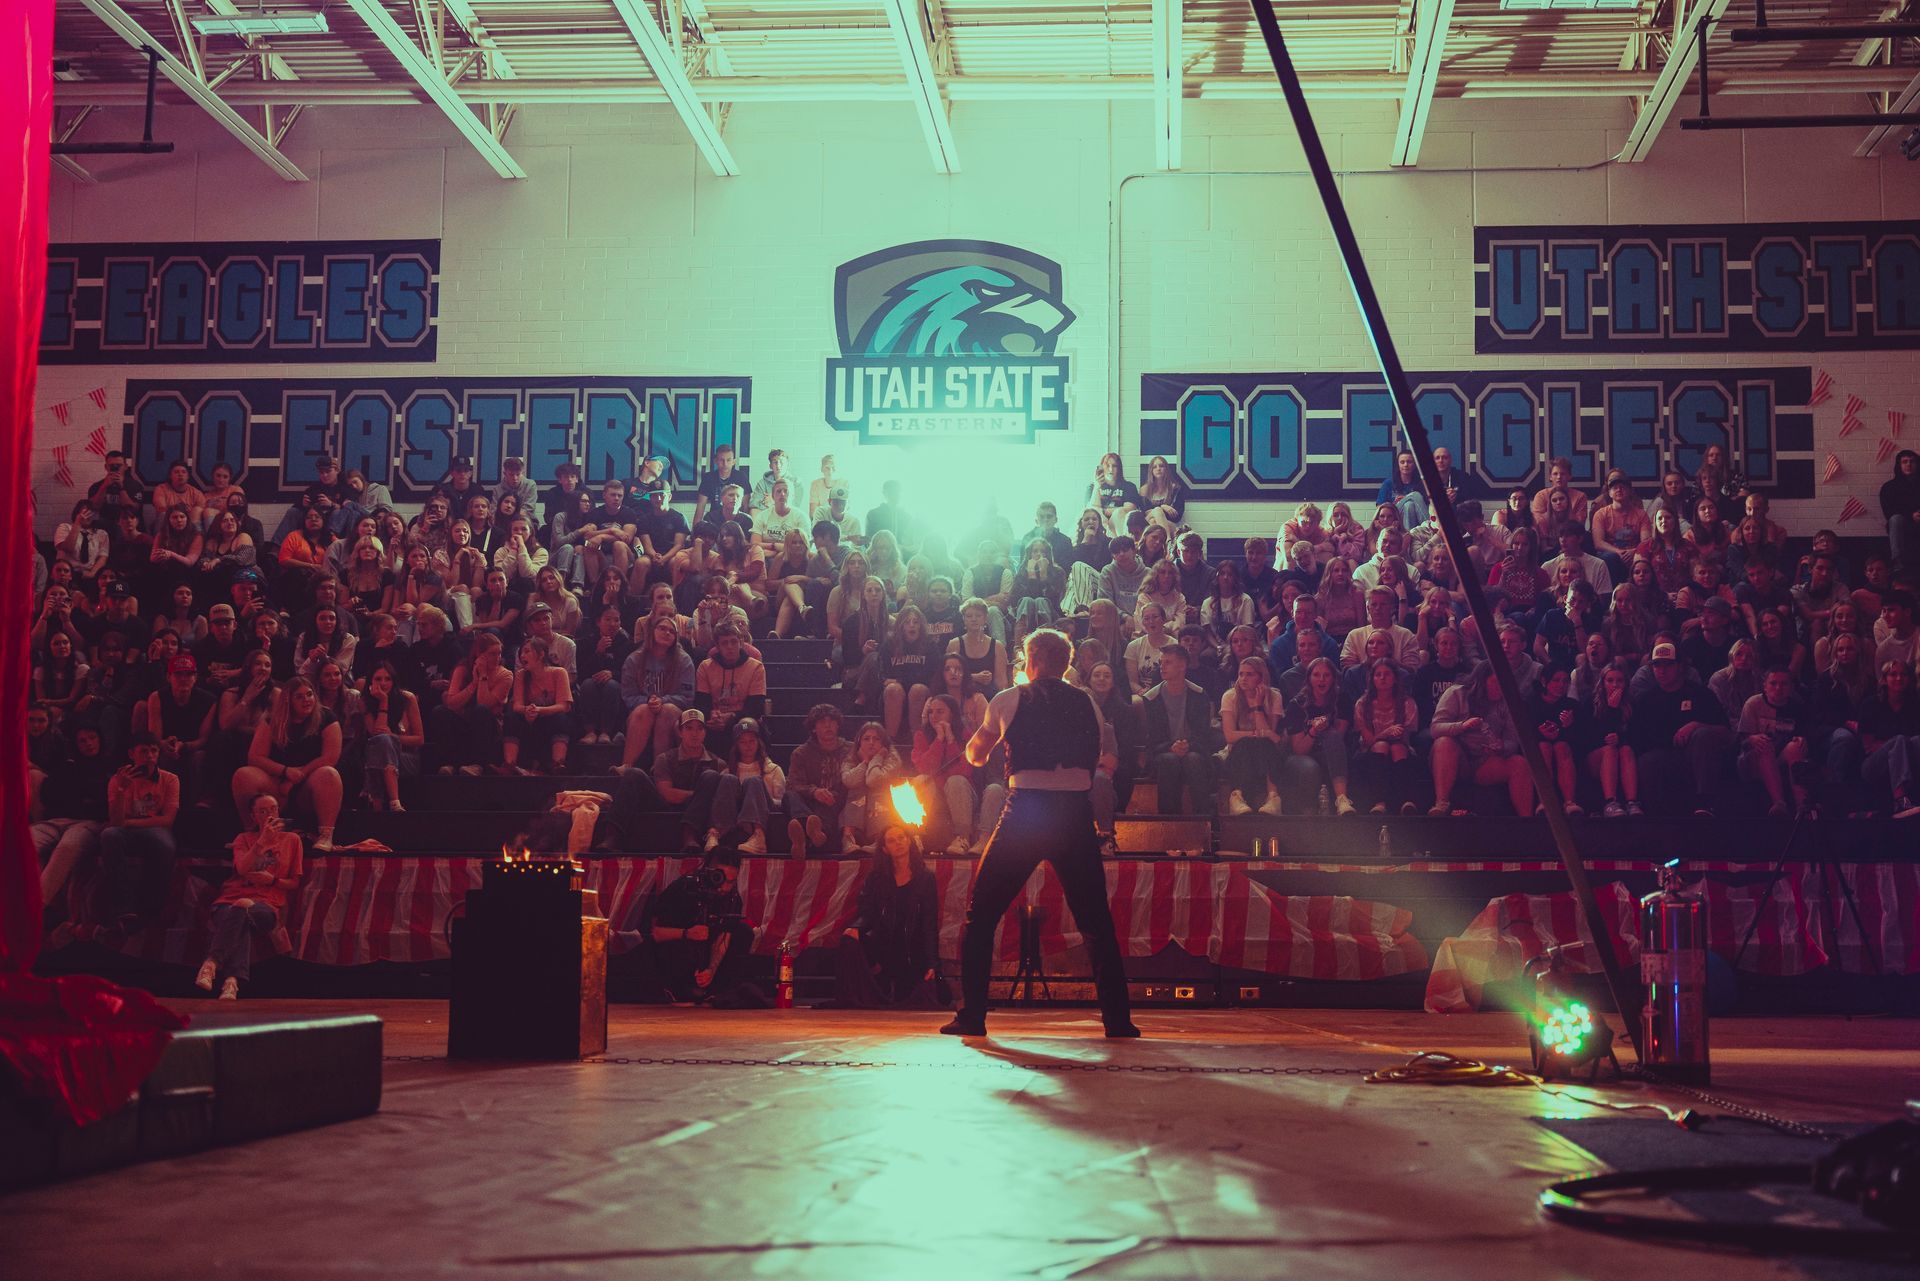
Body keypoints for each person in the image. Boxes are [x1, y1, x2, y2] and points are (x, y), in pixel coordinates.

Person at [941, 628, 1137, 1039]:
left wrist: (984, 735)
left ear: (1031, 659)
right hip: (1073, 817)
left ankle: (972, 1016)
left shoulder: (1009, 699)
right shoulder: (1087, 703)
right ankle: (1118, 1021)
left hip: (1026, 812)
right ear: (1066, 663)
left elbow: (976, 757)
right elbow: (1096, 753)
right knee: (1096, 921)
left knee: (982, 915)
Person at [197, 791, 303, 1001]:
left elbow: (294, 882)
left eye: (273, 809)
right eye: (263, 811)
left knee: (243, 907)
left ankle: (212, 962)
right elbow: (243, 869)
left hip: (267, 905)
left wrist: (272, 881)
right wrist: (262, 842)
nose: (269, 814)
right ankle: (232, 982)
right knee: (240, 912)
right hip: (229, 902)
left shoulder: (292, 840)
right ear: (253, 816)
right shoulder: (243, 839)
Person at [833, 827, 944, 1008]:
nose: (898, 843)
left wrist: (933, 963)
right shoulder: (876, 878)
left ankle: (896, 981)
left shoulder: (925, 877)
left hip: (911, 951)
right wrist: (856, 928)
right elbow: (867, 912)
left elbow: (929, 924)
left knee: (913, 997)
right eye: (891, 840)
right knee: (849, 938)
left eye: (901, 838)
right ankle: (878, 973)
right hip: (884, 945)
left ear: (909, 841)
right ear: (884, 849)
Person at [1630, 639, 1736, 816]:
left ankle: (1705, 804)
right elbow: (1636, 740)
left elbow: (1726, 734)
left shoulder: (1700, 694)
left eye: (1668, 664)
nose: (1662, 670)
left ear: (1679, 666)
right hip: (1661, 757)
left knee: (1703, 735)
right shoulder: (1646, 700)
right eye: (1657, 665)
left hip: (1696, 757)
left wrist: (1696, 725)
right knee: (1648, 761)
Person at [94, 731, 181, 944]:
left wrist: (130, 822)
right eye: (144, 751)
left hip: (153, 828)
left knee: (164, 845)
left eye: (154, 751)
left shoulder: (170, 779)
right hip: (126, 831)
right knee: (109, 835)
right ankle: (123, 909)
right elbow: (115, 822)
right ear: (132, 754)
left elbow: (167, 820)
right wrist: (122, 789)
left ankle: (152, 910)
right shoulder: (118, 779)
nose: (150, 756)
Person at [646, 849, 759, 1006]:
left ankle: (716, 992)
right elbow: (655, 934)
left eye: (731, 882)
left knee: (743, 932)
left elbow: (724, 937)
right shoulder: (683, 889)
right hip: (677, 953)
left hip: (707, 955)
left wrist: (711, 969)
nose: (725, 888)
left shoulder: (732, 898)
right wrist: (686, 933)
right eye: (721, 879)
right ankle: (677, 990)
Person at [1428, 661, 1533, 817]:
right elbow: (1435, 728)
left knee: (1519, 763)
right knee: (1443, 742)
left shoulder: (1507, 702)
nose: (1500, 688)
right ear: (1482, 680)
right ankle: (1441, 803)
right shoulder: (1457, 693)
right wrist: (1462, 726)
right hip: (1455, 756)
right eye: (1495, 682)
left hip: (1485, 761)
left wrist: (1501, 746)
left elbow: (1513, 740)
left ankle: (1527, 821)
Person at [1140, 643, 1219, 815]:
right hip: (1163, 751)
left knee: (1194, 760)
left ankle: (1205, 821)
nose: (1162, 667)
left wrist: (1187, 745)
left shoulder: (1199, 695)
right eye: (1161, 663)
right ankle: (1168, 822)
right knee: (1169, 760)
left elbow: (1203, 734)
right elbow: (1153, 739)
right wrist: (1171, 746)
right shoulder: (1151, 698)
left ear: (1182, 665)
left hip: (1194, 749)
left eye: (1168, 662)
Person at [1353, 657, 1422, 815]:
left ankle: (1406, 801)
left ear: (1395, 679)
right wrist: (1385, 733)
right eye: (1378, 675)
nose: (1382, 678)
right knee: (1381, 745)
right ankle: (1379, 802)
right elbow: (1368, 741)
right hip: (1369, 751)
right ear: (1372, 679)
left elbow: (1404, 738)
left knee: (1397, 747)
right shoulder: (1363, 704)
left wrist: (1392, 735)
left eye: (1387, 674)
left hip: (1400, 748)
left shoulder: (1406, 703)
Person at [703, 718, 783, 854]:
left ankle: (758, 836)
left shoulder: (773, 770)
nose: (748, 745)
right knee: (727, 779)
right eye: (743, 742)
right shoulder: (728, 771)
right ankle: (714, 833)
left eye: (752, 741)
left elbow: (780, 802)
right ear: (737, 745)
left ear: (758, 742)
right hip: (733, 822)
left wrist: (755, 799)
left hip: (763, 819)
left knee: (753, 781)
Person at [1221, 656, 1288, 816]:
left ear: (1261, 677)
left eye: (1250, 674)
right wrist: (1255, 734)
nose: (1243, 679)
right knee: (1245, 743)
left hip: (1267, 749)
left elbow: (1269, 734)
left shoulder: (1274, 696)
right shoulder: (1230, 696)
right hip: (1238, 749)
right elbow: (1230, 736)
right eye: (1241, 674)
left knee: (1263, 744)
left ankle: (1273, 798)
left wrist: (1257, 706)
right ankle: (1237, 797)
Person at [787, 703, 854, 858]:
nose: (828, 725)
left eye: (831, 721)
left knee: (833, 799)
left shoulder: (851, 750)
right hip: (808, 801)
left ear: (838, 725)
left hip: (835, 800)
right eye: (822, 722)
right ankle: (807, 828)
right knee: (789, 796)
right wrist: (814, 792)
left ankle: (810, 834)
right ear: (814, 728)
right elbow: (793, 783)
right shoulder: (801, 753)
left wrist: (829, 795)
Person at [503, 635, 575, 775]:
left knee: (561, 718)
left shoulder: (559, 672)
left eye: (527, 651)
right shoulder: (521, 675)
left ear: (541, 654)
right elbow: (517, 705)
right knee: (511, 717)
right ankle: (509, 764)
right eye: (521, 652)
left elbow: (564, 706)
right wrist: (527, 710)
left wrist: (539, 710)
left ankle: (558, 763)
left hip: (551, 721)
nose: (522, 655)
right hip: (530, 721)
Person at [360, 661, 424, 811]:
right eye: (378, 679)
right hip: (377, 754)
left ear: (394, 681)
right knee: (382, 742)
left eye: (387, 679)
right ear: (370, 681)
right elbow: (376, 734)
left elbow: (419, 739)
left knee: (384, 742)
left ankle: (376, 803)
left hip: (406, 757)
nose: (383, 683)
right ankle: (394, 803)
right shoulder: (364, 701)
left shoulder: (407, 699)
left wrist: (393, 737)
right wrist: (384, 702)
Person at [1587, 660, 1643, 817]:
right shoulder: (1590, 703)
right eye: (1610, 680)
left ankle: (1632, 802)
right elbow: (1589, 737)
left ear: (1626, 683)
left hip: (1623, 754)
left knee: (1625, 749)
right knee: (1610, 750)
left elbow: (1637, 735)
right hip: (1596, 756)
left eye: (1619, 681)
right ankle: (1610, 802)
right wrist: (1611, 710)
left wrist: (1621, 739)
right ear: (1602, 682)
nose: (1615, 685)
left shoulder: (1632, 704)